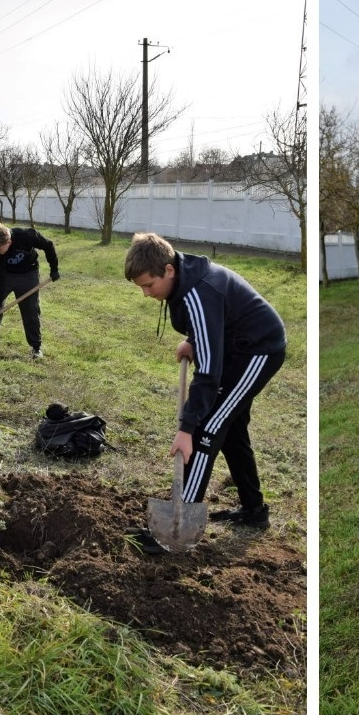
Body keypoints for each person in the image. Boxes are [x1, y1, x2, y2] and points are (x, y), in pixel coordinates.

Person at [124, 232, 287, 553]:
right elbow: (212, 325)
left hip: (258, 350)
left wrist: (187, 429)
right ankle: (254, 512)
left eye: (148, 285)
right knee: (232, 429)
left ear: (168, 271)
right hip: (235, 345)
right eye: (141, 287)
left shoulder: (199, 291)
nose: (145, 294)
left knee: (208, 428)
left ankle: (175, 530)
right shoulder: (184, 277)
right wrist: (194, 341)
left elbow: (208, 373)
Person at [0, 224, 60, 359]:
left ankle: (36, 347)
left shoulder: (26, 235)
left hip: (28, 274)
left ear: (9, 242)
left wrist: (54, 269)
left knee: (30, 310)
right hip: (5, 276)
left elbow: (48, 245)